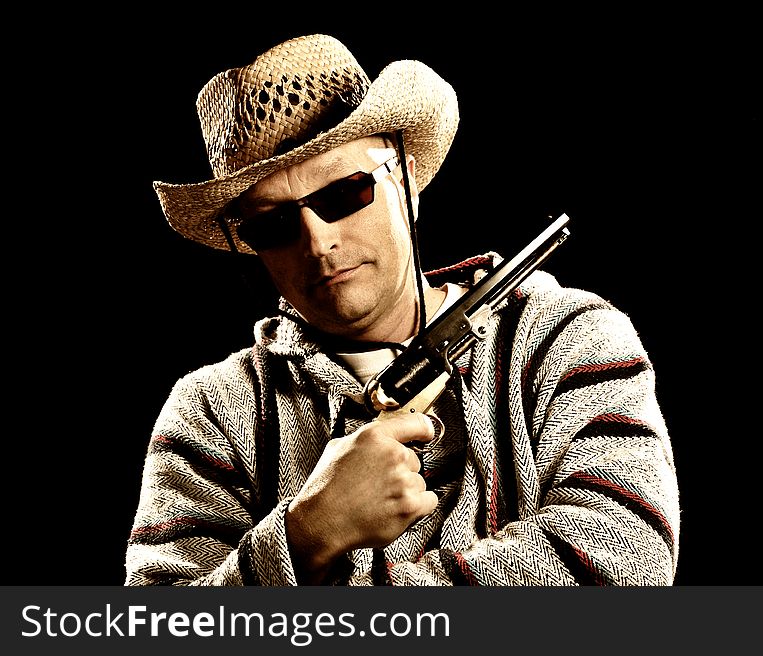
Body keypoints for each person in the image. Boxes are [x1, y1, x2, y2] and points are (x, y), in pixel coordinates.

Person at [125, 33, 680, 586]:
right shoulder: (209, 413)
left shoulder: (570, 338)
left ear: (406, 179)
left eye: (343, 194)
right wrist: (306, 534)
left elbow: (625, 565)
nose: (318, 244)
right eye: (273, 224)